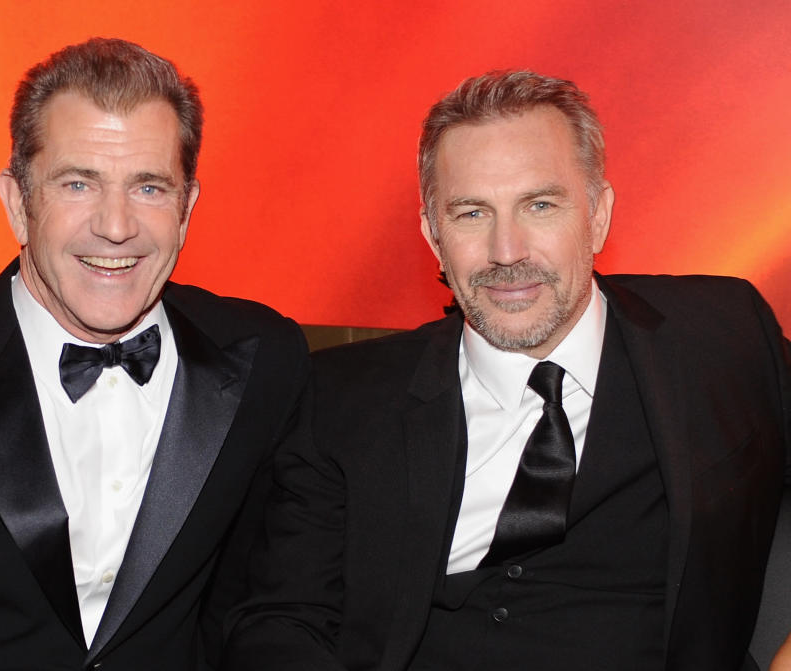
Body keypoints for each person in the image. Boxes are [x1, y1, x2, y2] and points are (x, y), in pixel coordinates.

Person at [223, 71, 790, 670]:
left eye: (539, 205)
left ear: (597, 216)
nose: (507, 251)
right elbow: (281, 620)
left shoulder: (723, 334)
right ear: (433, 236)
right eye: (471, 214)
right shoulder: (342, 396)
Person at [0, 38, 307, 670]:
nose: (115, 226)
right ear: (17, 202)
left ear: (187, 208)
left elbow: (269, 606)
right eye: (78, 183)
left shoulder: (264, 360)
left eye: (149, 187)